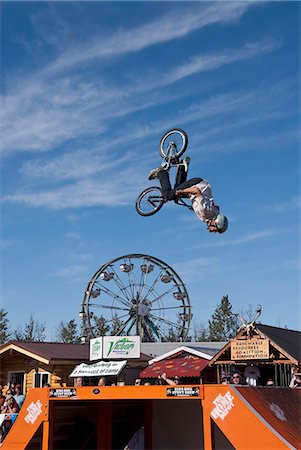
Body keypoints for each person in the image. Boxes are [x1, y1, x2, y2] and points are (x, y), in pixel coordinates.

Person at [148, 164, 228, 234]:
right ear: (216, 222)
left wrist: (194, 204)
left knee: (176, 193)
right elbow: (196, 191)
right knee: (168, 195)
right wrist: (182, 191)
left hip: (202, 185)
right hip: (196, 185)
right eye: (215, 229)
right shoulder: (205, 211)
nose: (213, 231)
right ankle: (161, 172)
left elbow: (216, 207)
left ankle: (182, 167)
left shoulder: (214, 214)